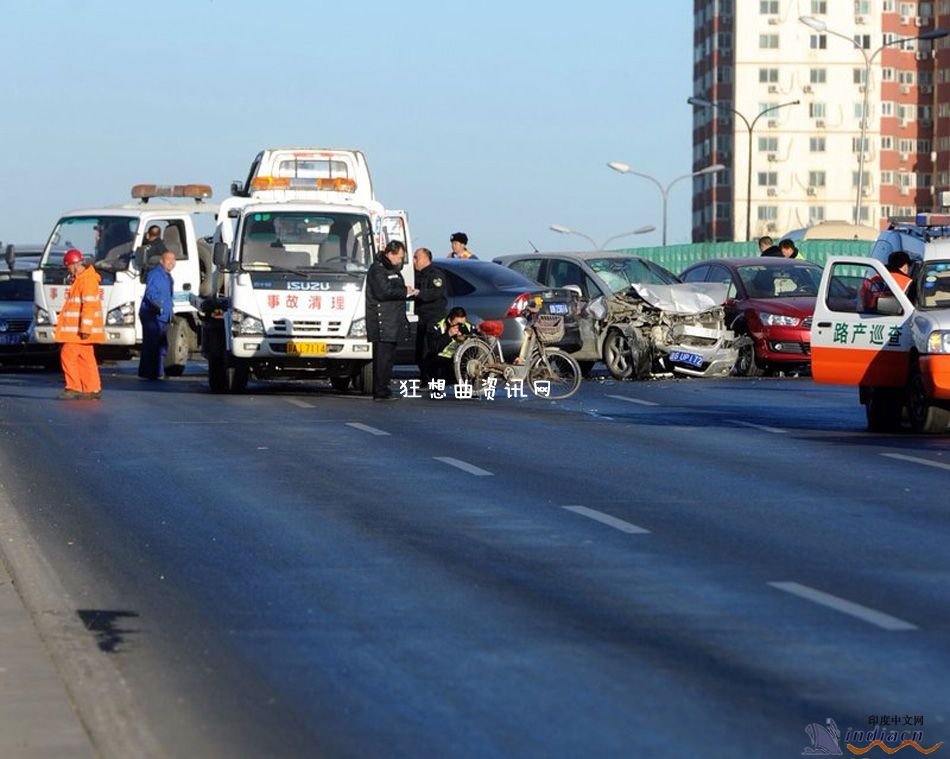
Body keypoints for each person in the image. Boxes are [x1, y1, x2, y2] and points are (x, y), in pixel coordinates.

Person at [366, 240, 416, 399]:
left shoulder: (391, 269)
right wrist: (404, 291)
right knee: (382, 358)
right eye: (399, 257)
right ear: (391, 254)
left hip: (393, 321)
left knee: (389, 358)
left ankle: (384, 387)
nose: (400, 261)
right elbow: (383, 292)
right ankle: (380, 390)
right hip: (382, 321)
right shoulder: (378, 269)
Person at [54, 249, 105, 400]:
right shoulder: (83, 279)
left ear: (75, 264)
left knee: (67, 355)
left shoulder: (86, 281)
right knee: (85, 357)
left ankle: (73, 387)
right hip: (79, 331)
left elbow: (89, 306)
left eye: (68, 267)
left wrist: (85, 328)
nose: (68, 270)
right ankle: (92, 388)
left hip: (79, 332)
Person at [138, 250, 177, 380]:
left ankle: (148, 372)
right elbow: (151, 294)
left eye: (173, 260)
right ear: (161, 261)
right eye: (168, 259)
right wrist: (159, 308)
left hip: (161, 315)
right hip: (153, 315)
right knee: (156, 346)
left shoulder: (167, 276)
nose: (171, 262)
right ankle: (156, 373)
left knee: (157, 344)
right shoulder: (156, 274)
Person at [412, 247, 447, 384]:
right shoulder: (416, 274)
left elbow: (435, 293)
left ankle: (433, 379)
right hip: (421, 317)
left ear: (426, 258)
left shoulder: (435, 274)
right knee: (420, 350)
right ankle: (424, 377)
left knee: (431, 350)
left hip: (434, 317)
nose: (414, 261)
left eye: (417, 258)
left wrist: (418, 293)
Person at [427, 306, 474, 381]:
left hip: (461, 360)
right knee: (431, 360)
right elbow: (433, 348)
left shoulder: (468, 327)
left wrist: (465, 339)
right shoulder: (438, 327)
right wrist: (448, 335)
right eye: (457, 324)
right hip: (443, 360)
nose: (459, 327)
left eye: (462, 324)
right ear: (449, 320)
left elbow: (475, 347)